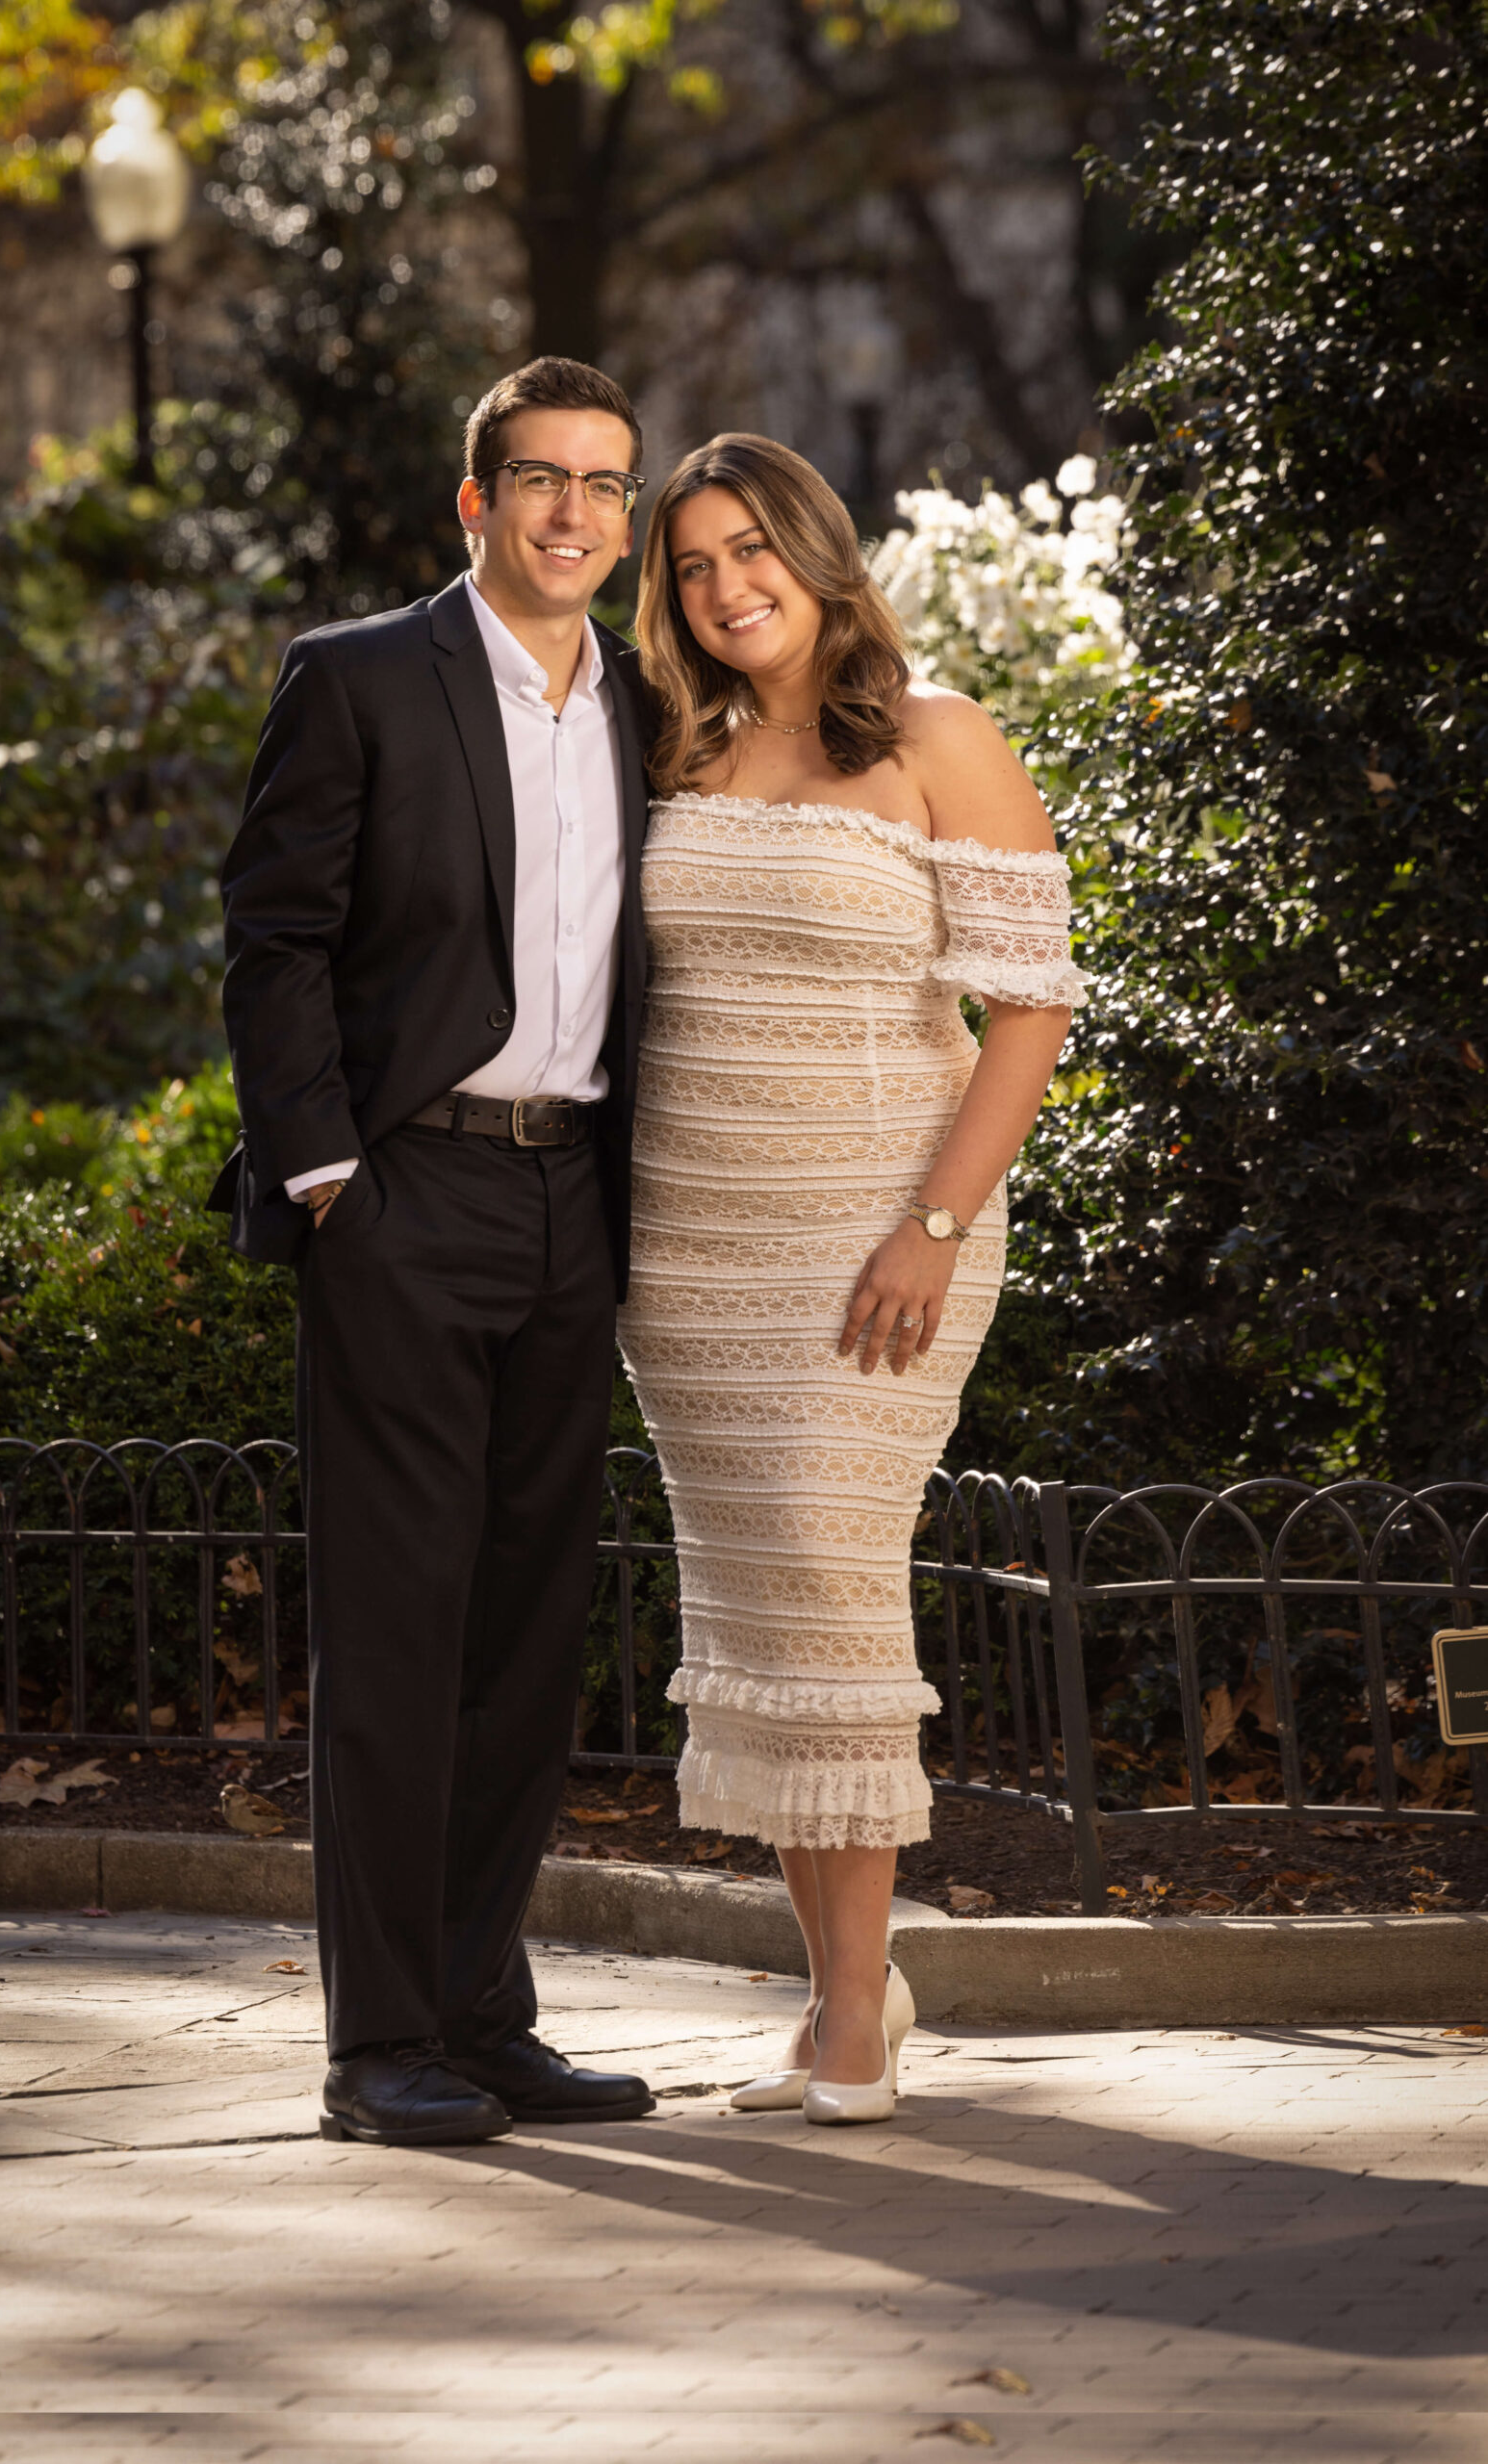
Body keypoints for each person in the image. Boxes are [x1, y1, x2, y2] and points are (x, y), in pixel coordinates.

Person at [214, 358, 658, 2146]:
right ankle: (377, 2041)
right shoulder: (361, 678)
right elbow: (273, 943)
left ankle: (485, 2016)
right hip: (406, 1197)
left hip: (575, 1203)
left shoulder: (642, 698)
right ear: (474, 503)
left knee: (527, 1637)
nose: (575, 512)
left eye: (606, 486)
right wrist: (331, 1181)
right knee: (400, 1635)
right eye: (540, 479)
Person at [621, 434, 1086, 2123]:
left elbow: (1027, 1011)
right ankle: (846, 2001)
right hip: (687, 1250)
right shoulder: (679, 745)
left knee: (832, 1579)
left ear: (818, 553)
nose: (728, 585)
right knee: (765, 1607)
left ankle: (845, 2023)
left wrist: (935, 1226)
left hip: (885, 1231)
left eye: (754, 549)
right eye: (691, 565)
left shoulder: (938, 738)